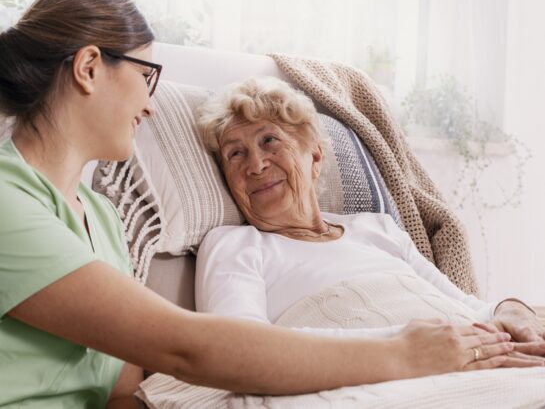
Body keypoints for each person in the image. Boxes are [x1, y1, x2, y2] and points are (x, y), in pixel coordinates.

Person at [0, 0, 535, 409]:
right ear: (90, 68)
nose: (152, 104)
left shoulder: (101, 220)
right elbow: (185, 347)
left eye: (272, 143)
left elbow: (121, 391)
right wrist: (402, 352)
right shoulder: (7, 201)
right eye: (148, 76)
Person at [195, 76, 545, 359]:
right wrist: (413, 347)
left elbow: (465, 307)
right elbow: (240, 351)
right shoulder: (235, 245)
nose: (255, 165)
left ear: (314, 155)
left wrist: (512, 308)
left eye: (269, 141)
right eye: (235, 154)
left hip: (475, 359)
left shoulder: (378, 228)